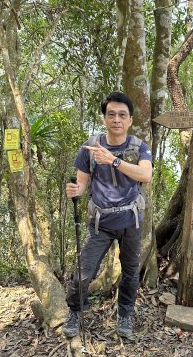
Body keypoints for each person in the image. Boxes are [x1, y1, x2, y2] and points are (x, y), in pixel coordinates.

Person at [63, 91, 152, 340]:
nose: (116, 119)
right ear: (104, 118)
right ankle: (75, 311)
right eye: (111, 114)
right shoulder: (91, 148)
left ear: (130, 120)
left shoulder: (139, 147)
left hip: (130, 220)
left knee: (131, 272)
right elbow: (82, 183)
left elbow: (145, 175)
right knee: (84, 271)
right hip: (100, 222)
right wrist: (75, 190)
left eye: (122, 115)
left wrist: (113, 161)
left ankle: (125, 315)